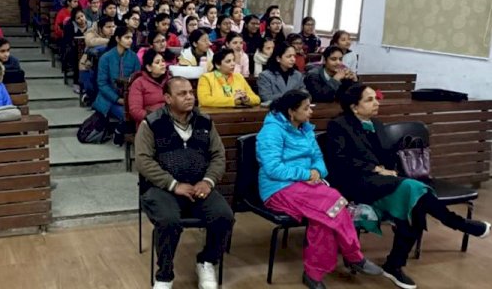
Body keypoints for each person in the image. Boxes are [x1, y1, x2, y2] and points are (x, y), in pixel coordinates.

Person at [325, 84, 491, 289]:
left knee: (416, 204)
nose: (376, 103)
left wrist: (392, 160)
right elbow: (340, 161)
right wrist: (376, 169)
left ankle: (394, 264)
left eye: (375, 98)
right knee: (414, 191)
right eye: (369, 100)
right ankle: (458, 224)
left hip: (383, 180)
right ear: (354, 107)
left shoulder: (375, 124)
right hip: (356, 182)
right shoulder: (339, 125)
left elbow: (385, 156)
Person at [257, 90, 383, 289]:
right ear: (291, 111)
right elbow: (273, 168)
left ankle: (313, 274)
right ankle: (353, 256)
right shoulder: (271, 131)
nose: (310, 112)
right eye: (306, 108)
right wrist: (306, 174)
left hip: (309, 185)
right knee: (333, 201)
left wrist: (316, 171)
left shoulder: (305, 129)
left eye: (310, 107)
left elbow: (319, 160)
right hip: (278, 188)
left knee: (324, 218)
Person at [135, 76, 234, 289]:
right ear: (168, 98)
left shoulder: (205, 121)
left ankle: (207, 261)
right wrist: (172, 184)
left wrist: (208, 181)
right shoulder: (152, 123)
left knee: (224, 216)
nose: (190, 97)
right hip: (162, 188)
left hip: (199, 186)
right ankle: (165, 274)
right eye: (182, 94)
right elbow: (143, 160)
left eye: (191, 92)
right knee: (168, 220)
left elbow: (218, 155)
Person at [93, 26, 141, 122]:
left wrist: (130, 99)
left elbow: (137, 80)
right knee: (126, 116)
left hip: (129, 99)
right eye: (127, 38)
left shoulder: (134, 57)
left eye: (131, 38)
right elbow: (102, 84)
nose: (130, 41)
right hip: (109, 100)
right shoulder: (106, 58)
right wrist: (118, 99)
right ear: (117, 39)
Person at [127, 49, 170, 127]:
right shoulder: (139, 83)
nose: (162, 64)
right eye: (157, 62)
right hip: (149, 123)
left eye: (163, 61)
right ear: (149, 67)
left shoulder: (170, 80)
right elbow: (135, 111)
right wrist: (155, 118)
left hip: (171, 119)